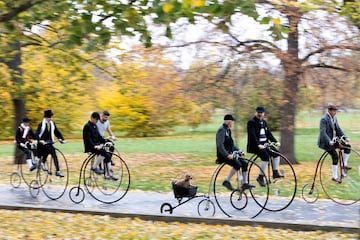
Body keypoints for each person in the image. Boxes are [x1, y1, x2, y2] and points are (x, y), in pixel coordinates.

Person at [216, 114, 254, 191]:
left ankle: (244, 183)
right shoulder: (222, 130)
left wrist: (240, 152)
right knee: (237, 164)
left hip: (230, 154)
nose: (233, 123)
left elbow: (231, 145)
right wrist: (227, 155)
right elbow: (220, 145)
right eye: (232, 121)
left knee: (244, 164)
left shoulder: (227, 130)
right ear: (229, 121)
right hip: (223, 155)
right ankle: (226, 181)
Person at [247, 106, 283, 187]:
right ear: (256, 113)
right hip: (256, 145)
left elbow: (269, 134)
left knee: (277, 154)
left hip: (265, 144)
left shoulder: (264, 122)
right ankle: (260, 177)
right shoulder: (251, 122)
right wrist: (258, 144)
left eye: (261, 113)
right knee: (266, 157)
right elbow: (252, 136)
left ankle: (275, 173)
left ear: (264, 114)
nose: (260, 114)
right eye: (258, 112)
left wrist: (275, 141)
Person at [318, 104, 351, 183]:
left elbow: (338, 129)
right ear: (329, 110)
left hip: (334, 140)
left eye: (336, 111)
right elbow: (323, 132)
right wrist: (329, 141)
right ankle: (334, 176)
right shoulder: (324, 119)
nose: (335, 112)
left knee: (347, 146)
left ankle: (344, 165)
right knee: (335, 156)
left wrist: (345, 137)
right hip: (326, 142)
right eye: (334, 111)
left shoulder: (334, 118)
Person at [83, 112, 118, 181]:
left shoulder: (94, 125)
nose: (97, 121)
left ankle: (109, 175)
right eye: (96, 120)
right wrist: (94, 146)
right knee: (103, 152)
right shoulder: (87, 126)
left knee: (107, 155)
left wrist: (106, 142)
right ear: (92, 118)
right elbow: (87, 139)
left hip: (96, 145)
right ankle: (94, 167)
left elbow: (99, 137)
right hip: (90, 146)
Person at [35, 110, 65, 177]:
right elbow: (36, 134)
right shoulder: (41, 124)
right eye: (49, 117)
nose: (50, 119)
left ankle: (58, 171)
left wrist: (61, 139)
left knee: (54, 155)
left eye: (51, 117)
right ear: (45, 117)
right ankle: (42, 162)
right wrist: (40, 140)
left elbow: (56, 132)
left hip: (50, 142)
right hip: (42, 144)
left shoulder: (52, 124)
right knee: (48, 149)